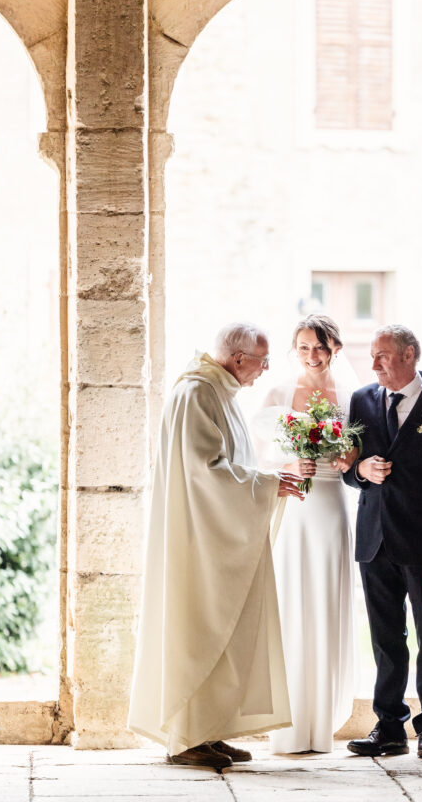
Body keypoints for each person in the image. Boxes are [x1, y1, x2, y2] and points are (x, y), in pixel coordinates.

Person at [127, 322, 304, 770]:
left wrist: (266, 482)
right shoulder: (197, 394)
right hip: (198, 539)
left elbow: (231, 463)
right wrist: (266, 486)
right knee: (200, 629)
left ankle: (210, 731)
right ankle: (186, 737)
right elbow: (205, 473)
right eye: (262, 361)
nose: (264, 371)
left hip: (216, 534)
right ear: (239, 358)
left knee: (224, 633)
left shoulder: (218, 392)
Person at [343, 325, 422, 759]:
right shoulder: (362, 400)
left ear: (410, 354)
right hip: (375, 542)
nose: (374, 364)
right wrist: (362, 470)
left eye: (383, 355)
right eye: (372, 356)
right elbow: (349, 467)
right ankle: (389, 727)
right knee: (386, 639)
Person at [255, 314, 357, 754]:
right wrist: (288, 464)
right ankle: (289, 724)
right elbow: (255, 455)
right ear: (293, 350)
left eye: (320, 346)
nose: (312, 355)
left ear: (335, 347)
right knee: (293, 603)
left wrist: (349, 458)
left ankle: (322, 724)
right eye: (303, 347)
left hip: (332, 505)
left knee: (327, 604)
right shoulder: (277, 393)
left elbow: (361, 449)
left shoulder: (355, 395)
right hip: (295, 504)